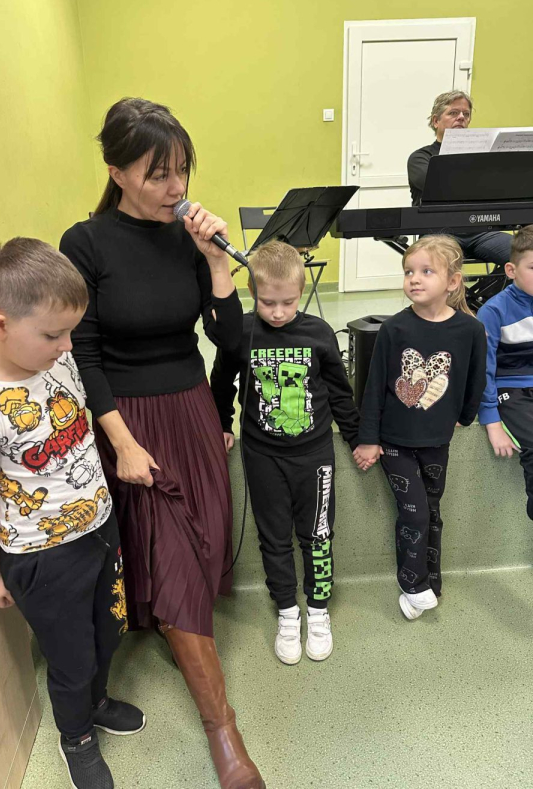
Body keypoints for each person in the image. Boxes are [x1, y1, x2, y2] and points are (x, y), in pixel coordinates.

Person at [60, 98, 264, 789]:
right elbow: (83, 355)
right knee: (173, 555)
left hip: (192, 410)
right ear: (117, 172)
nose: (177, 187)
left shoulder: (189, 238)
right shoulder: (85, 244)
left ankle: (178, 632)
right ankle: (223, 731)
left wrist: (216, 263)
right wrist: (119, 441)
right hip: (128, 419)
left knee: (201, 543)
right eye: (158, 174)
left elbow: (231, 341)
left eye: (182, 171)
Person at [0, 239, 144, 789]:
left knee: (110, 630)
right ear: (0, 325)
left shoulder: (59, 362)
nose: (67, 345)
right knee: (71, 659)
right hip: (42, 557)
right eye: (53, 334)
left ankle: (97, 702)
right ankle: (76, 737)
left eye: (70, 332)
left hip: (99, 527)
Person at [210, 241, 360, 665]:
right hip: (263, 456)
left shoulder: (319, 333)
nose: (277, 312)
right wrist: (222, 424)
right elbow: (221, 381)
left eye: (288, 302)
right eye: (268, 302)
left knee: (318, 535)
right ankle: (288, 612)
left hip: (315, 454)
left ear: (301, 292)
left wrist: (357, 437)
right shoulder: (240, 333)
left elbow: (339, 391)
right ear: (252, 292)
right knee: (274, 537)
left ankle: (318, 610)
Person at [354, 235, 487, 620]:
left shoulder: (469, 330)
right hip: (395, 442)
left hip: (438, 440)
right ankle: (412, 584)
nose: (414, 278)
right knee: (414, 513)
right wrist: (368, 439)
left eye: (427, 271)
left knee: (432, 511)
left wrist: (465, 416)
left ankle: (431, 584)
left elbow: (475, 377)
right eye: (409, 271)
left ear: (452, 281)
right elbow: (374, 387)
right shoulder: (394, 329)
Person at [407, 90, 511, 266]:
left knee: (526, 256)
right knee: (437, 263)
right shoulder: (421, 157)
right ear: (436, 121)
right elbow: (435, 186)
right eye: (453, 113)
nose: (461, 117)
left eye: (466, 114)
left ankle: (495, 285)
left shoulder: (482, 157)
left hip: (481, 232)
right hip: (438, 233)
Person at [477, 226, 533, 519]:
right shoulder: (493, 311)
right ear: (511, 270)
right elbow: (482, 371)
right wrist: (492, 421)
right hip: (509, 388)